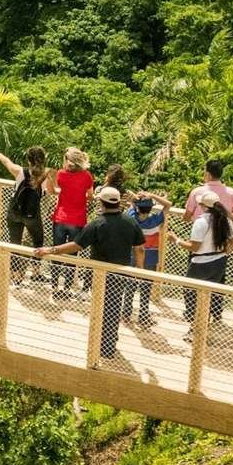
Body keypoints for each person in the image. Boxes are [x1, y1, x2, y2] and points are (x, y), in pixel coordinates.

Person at [37, 186, 144, 359]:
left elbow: (76, 245)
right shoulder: (130, 222)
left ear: (101, 202)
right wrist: (139, 271)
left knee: (100, 308)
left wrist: (50, 250)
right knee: (114, 307)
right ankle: (109, 345)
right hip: (121, 273)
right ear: (117, 202)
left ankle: (100, 345)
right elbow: (140, 249)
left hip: (100, 274)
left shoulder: (97, 223)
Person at [170, 190, 233, 341]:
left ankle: (194, 328)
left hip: (200, 263)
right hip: (219, 261)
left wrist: (176, 240)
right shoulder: (226, 220)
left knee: (190, 294)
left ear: (203, 206)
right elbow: (232, 243)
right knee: (209, 295)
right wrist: (222, 252)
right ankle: (204, 327)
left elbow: (194, 247)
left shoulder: (201, 221)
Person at [0, 148, 48, 283]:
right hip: (32, 215)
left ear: (28, 160)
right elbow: (48, 191)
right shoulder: (45, 175)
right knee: (38, 241)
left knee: (14, 243)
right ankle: (35, 272)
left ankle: (15, 276)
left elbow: (7, 162)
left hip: (15, 212)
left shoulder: (20, 171)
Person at [47, 147, 94, 297]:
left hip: (60, 218)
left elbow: (53, 191)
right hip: (78, 220)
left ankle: (54, 286)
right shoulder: (87, 176)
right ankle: (67, 288)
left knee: (56, 251)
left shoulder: (61, 174)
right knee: (72, 254)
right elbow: (91, 196)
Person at [124, 190, 170, 327]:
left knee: (130, 285)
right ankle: (143, 316)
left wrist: (135, 199)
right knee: (146, 288)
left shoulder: (131, 217)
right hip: (150, 258)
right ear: (151, 208)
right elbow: (168, 205)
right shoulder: (155, 220)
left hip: (133, 256)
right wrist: (153, 195)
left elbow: (132, 206)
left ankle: (126, 314)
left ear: (137, 208)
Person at [183, 159, 233, 225]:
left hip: (200, 233)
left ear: (208, 174)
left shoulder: (196, 192)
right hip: (223, 234)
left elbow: (187, 217)